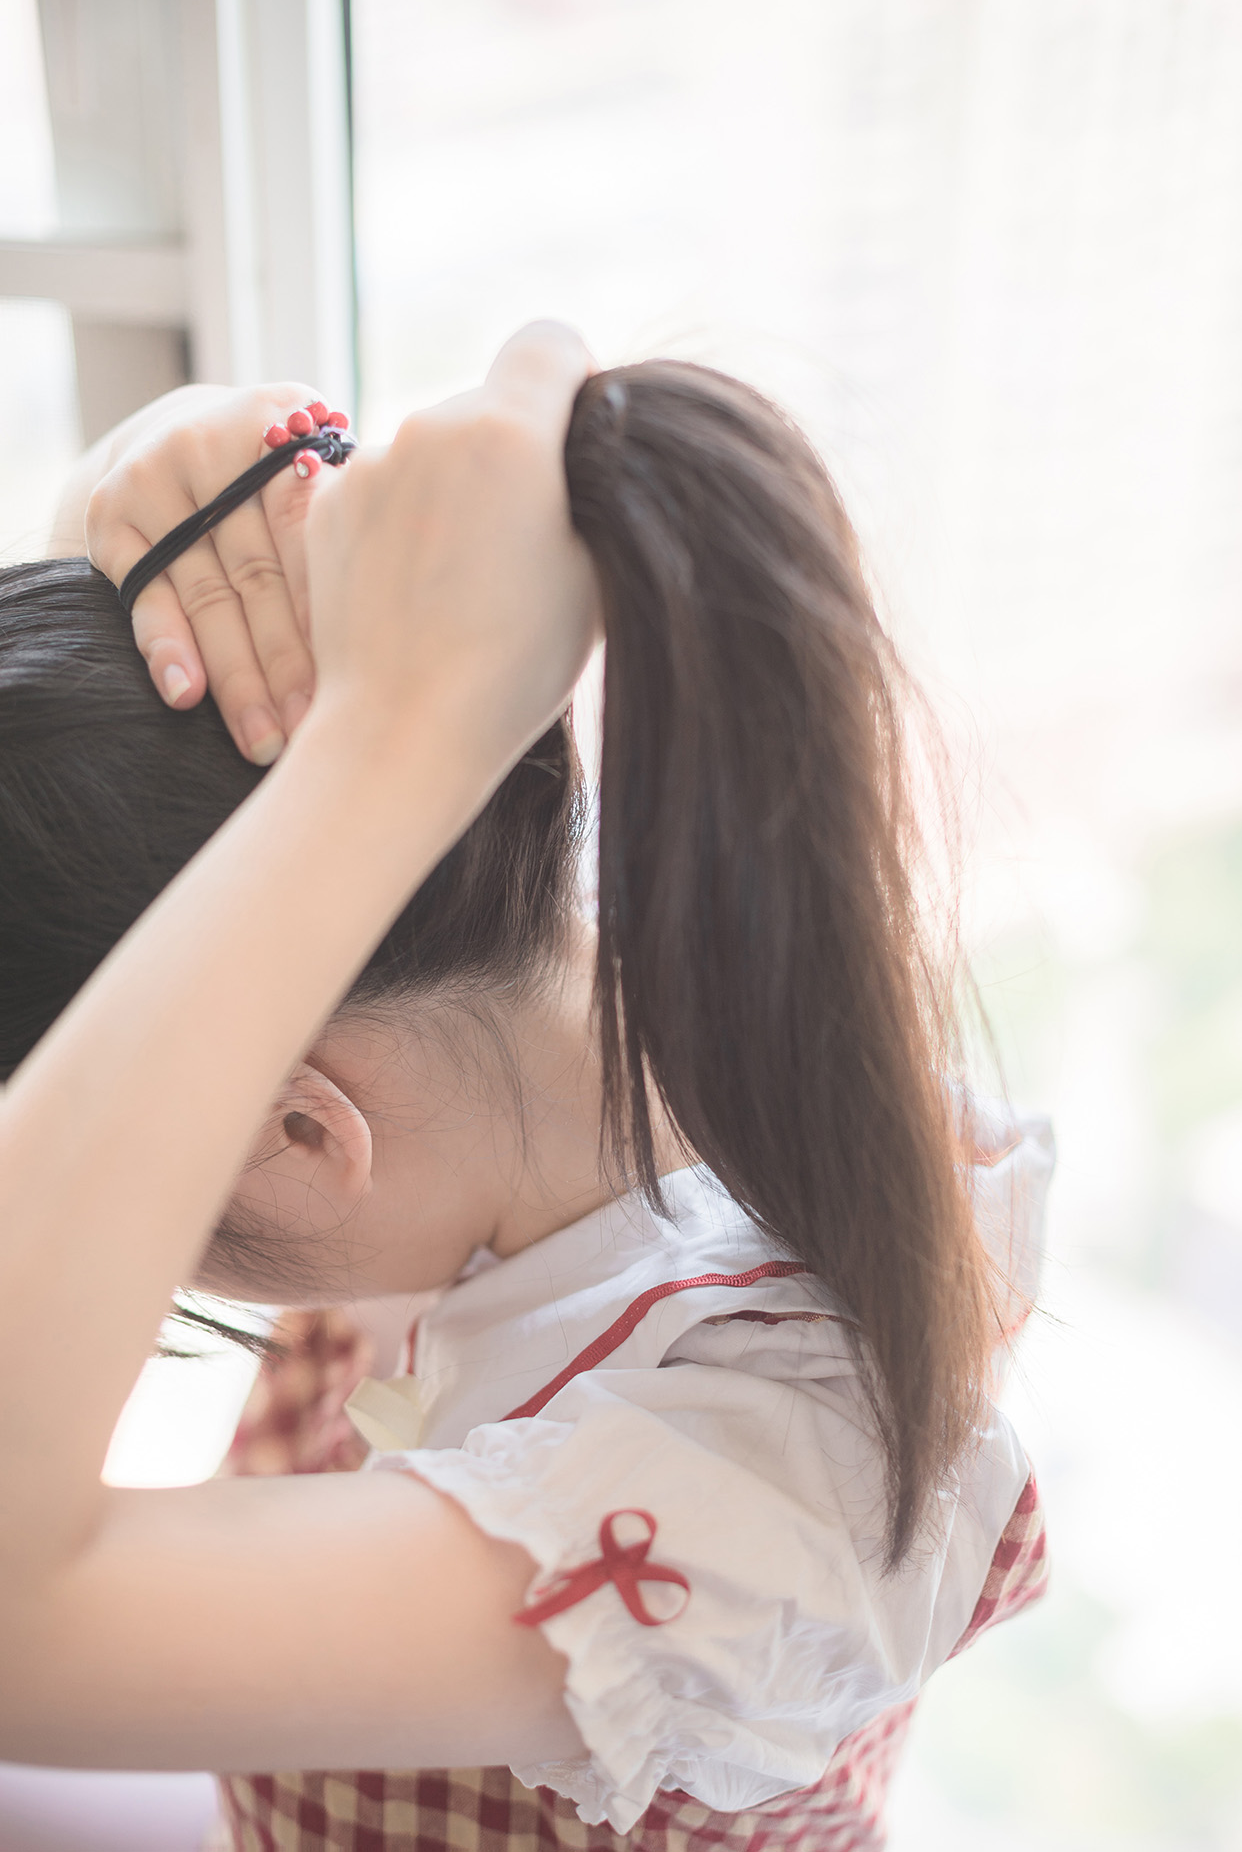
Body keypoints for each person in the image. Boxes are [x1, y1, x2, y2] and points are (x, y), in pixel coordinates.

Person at [0, 325, 1052, 1851]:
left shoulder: (753, 1480)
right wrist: (147, 490)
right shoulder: (570, 978)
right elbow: (132, 856)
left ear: (300, 1127)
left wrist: (385, 739)